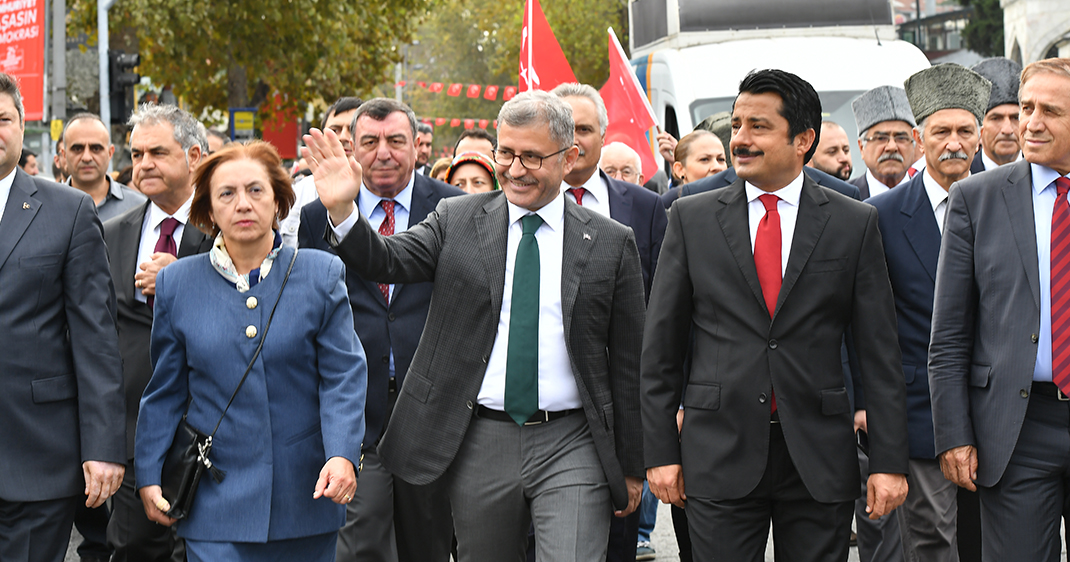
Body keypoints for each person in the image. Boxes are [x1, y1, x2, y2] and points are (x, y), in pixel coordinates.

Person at [304, 89, 645, 562]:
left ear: (568, 160)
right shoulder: (457, 218)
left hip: (574, 442)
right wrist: (343, 210)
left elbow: (629, 362)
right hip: (481, 438)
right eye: (505, 153)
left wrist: (632, 465)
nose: (515, 168)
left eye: (532, 156)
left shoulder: (610, 241)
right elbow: (386, 259)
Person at [642, 68, 909, 562]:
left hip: (819, 455)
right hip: (718, 451)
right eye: (737, 125)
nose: (739, 139)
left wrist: (888, 461)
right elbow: (661, 348)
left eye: (757, 127)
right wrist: (659, 453)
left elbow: (879, 351)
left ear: (803, 138)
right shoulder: (690, 216)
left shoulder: (853, 220)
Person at [134, 140, 367, 561]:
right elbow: (165, 390)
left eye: (256, 190)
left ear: (278, 200)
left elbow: (342, 377)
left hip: (306, 495)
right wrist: (147, 473)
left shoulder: (321, 273)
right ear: (207, 209)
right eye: (227, 193)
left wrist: (342, 454)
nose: (243, 204)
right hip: (213, 500)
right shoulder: (178, 284)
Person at [299, 97, 462, 562]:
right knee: (358, 546)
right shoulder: (318, 216)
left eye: (395, 141)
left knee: (428, 545)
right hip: (355, 410)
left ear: (418, 147)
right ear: (352, 148)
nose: (383, 153)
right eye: (369, 142)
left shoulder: (454, 209)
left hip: (430, 409)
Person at [928, 57, 1070, 562]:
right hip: (1017, 429)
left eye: (1049, 111)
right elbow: (948, 334)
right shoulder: (977, 198)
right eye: (1026, 107)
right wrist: (954, 435)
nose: (1030, 123)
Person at [0, 71, 125, 562]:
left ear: (22, 125)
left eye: (3, 119)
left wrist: (103, 445)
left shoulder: (67, 211)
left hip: (37, 455)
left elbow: (96, 337)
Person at [868, 63, 991, 562]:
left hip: (998, 407)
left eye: (965, 131)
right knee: (932, 543)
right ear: (921, 139)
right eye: (941, 131)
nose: (953, 143)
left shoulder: (1011, 204)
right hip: (919, 413)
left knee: (998, 540)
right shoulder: (883, 216)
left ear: (980, 138)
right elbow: (870, 324)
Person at [102, 103, 214, 562]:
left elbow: (257, 306)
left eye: (157, 153)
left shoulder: (227, 227)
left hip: (212, 432)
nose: (143, 164)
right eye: (136, 153)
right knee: (131, 551)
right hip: (136, 439)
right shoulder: (111, 232)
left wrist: (185, 276)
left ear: (193, 156)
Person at [553, 82, 667, 298]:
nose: (574, 140)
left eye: (584, 129)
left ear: (603, 136)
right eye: (564, 129)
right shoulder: (526, 202)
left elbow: (661, 291)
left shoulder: (646, 207)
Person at [280, 97, 362, 247]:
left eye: (353, 129)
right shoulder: (295, 195)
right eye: (335, 130)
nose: (343, 136)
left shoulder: (381, 194)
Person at [61, 112, 147, 222]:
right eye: (78, 149)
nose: (87, 158)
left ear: (110, 153)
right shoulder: (47, 208)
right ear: (64, 155)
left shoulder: (139, 207)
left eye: (96, 148)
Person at [850, 86, 918, 199]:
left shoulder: (929, 198)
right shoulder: (843, 198)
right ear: (861, 147)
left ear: (914, 144)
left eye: (901, 138)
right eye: (881, 138)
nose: (892, 147)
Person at [970, 57, 1023, 174]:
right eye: (996, 118)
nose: (1007, 130)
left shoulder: (1047, 173)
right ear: (978, 127)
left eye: (1016, 118)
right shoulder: (961, 177)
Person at [660, 130, 731, 208]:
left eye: (721, 159)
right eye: (704, 159)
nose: (716, 167)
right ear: (680, 170)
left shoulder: (741, 206)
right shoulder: (667, 211)